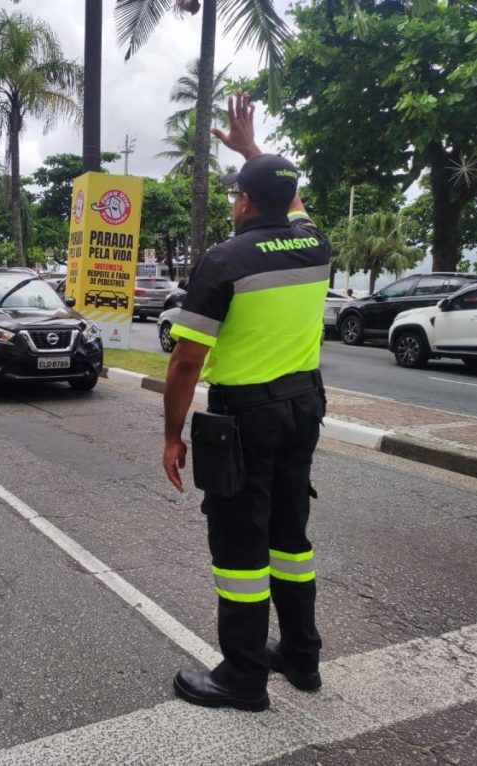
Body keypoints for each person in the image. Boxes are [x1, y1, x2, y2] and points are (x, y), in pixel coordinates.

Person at [162, 91, 331, 712]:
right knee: (291, 538)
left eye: (238, 191)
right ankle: (302, 657)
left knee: (239, 547)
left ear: (244, 202)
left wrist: (171, 435)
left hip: (245, 419)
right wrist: (255, 150)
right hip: (304, 409)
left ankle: (242, 677)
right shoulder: (315, 246)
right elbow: (293, 201)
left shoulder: (224, 259)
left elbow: (185, 361)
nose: (234, 201)